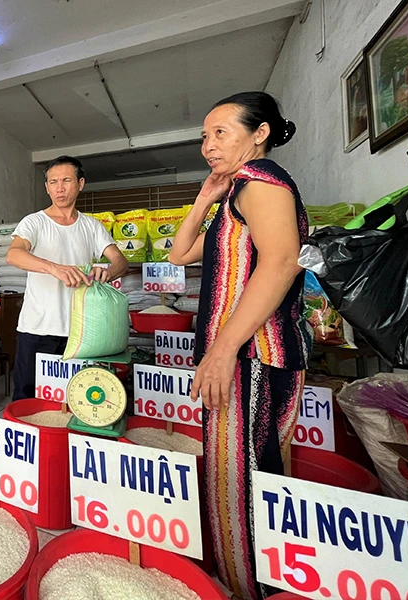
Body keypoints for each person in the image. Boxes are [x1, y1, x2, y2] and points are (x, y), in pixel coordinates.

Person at [169, 92, 309, 600]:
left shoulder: (261, 181)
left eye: (220, 133)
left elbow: (281, 262)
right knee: (244, 475)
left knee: (241, 484)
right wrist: (205, 197)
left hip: (252, 357)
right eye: (204, 136)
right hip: (243, 356)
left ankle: (250, 588)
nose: (208, 145)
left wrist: (223, 349)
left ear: (260, 133)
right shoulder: (237, 191)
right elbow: (178, 254)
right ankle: (252, 581)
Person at [7, 156, 128, 401]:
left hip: (81, 331)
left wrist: (107, 272)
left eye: (66, 181)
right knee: (27, 399)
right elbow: (14, 254)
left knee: (75, 399)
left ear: (80, 184)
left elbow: (120, 261)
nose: (59, 188)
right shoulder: (35, 222)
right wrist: (54, 268)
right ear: (46, 187)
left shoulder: (91, 226)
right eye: (53, 182)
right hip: (37, 328)